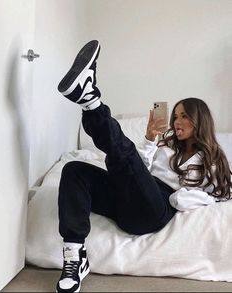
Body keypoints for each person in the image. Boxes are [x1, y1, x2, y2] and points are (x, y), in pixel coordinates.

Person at [56, 40, 232, 293]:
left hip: (153, 209)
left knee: (125, 156)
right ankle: (75, 258)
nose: (177, 121)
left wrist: (183, 197)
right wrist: (150, 139)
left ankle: (90, 101)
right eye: (176, 115)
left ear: (199, 120)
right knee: (75, 169)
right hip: (129, 194)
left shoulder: (212, 159)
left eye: (184, 116)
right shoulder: (166, 146)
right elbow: (140, 167)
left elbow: (221, 193)